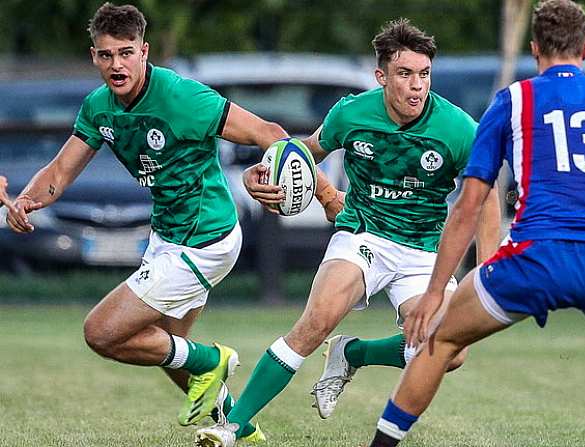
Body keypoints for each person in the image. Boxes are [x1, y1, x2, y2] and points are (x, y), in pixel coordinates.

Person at [366, 2, 585, 447]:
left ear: (535, 48)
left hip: (535, 257)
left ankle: (383, 443)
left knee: (442, 339)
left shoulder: (513, 100)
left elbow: (468, 206)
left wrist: (432, 294)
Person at [3, 3, 338, 442]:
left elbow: (270, 133)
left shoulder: (182, 97)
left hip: (206, 238)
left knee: (101, 332)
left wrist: (320, 192)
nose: (116, 65)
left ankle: (214, 358)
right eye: (106, 55)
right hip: (169, 236)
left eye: (126, 53)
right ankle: (243, 432)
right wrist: (26, 201)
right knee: (172, 355)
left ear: (144, 52)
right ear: (93, 57)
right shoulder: (99, 107)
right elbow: (61, 172)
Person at [194, 18, 502, 447]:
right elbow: (302, 152)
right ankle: (232, 426)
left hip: (423, 250)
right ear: (382, 76)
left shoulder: (458, 129)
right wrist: (259, 174)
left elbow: (486, 198)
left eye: (424, 74)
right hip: (363, 235)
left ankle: (354, 352)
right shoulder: (351, 113)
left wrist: (488, 269)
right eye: (405, 74)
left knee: (452, 351)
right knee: (316, 321)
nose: (417, 86)